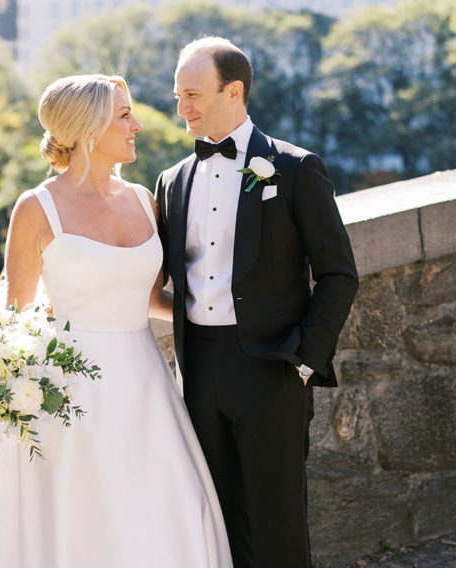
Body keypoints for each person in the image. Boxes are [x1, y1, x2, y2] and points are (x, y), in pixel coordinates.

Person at [0, 74, 233, 568]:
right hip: (68, 390)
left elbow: (151, 298)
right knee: (76, 516)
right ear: (88, 129)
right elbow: (13, 317)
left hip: (146, 385)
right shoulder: (36, 209)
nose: (137, 125)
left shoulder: (146, 200)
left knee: (165, 503)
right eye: (125, 116)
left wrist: (226, 315)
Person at [154, 38, 359, 567]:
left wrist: (305, 360)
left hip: (273, 368)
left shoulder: (295, 168)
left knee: (279, 521)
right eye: (178, 95)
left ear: (235, 91)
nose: (183, 109)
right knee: (218, 521)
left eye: (193, 94)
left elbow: (338, 274)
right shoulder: (172, 181)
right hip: (197, 370)